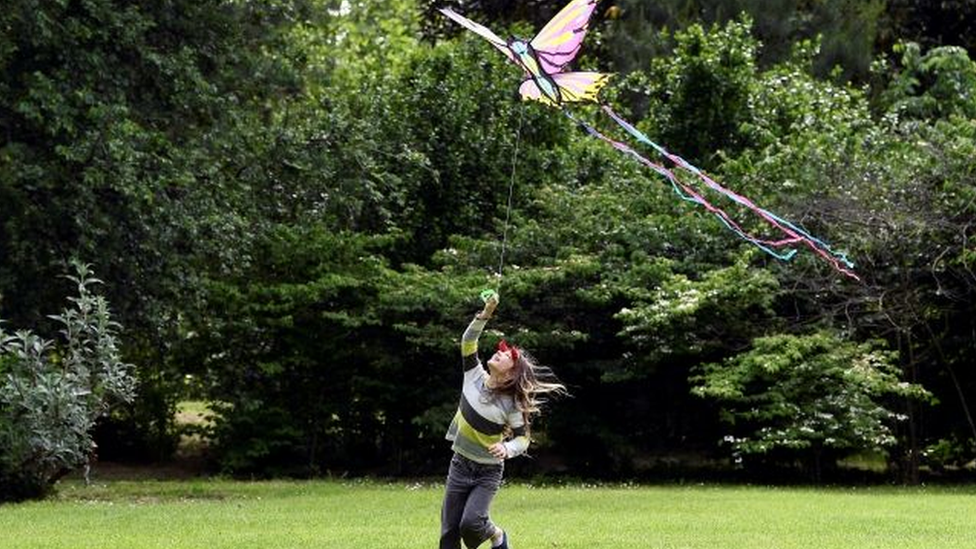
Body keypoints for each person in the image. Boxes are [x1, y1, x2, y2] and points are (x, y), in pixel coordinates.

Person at [440, 292, 567, 549]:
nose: (499, 352)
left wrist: (507, 448)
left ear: (511, 373)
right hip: (460, 464)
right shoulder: (473, 374)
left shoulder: (511, 405)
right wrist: (486, 313)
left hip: (487, 471)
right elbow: (468, 340)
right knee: (450, 529)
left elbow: (523, 439)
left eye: (506, 355)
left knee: (471, 525)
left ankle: (497, 535)